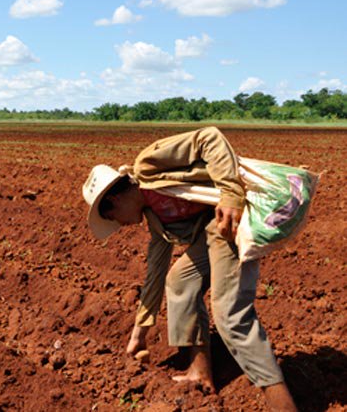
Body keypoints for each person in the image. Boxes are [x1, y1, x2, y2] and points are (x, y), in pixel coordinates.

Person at [82, 127, 297, 412]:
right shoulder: (157, 222)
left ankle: (282, 404)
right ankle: (199, 370)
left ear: (114, 201)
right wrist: (138, 335)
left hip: (229, 221)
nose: (118, 225)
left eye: (111, 217)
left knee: (229, 315)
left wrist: (231, 195)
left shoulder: (149, 164)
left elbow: (209, 137)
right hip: (211, 231)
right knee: (179, 281)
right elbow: (154, 278)